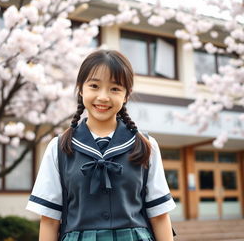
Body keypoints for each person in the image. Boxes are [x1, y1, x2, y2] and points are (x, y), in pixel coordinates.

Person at [26, 49, 176, 241]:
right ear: (81, 89)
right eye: (94, 86)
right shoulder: (59, 148)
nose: (103, 97)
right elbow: (49, 221)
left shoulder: (146, 145)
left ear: (126, 95)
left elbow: (160, 216)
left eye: (115, 89)